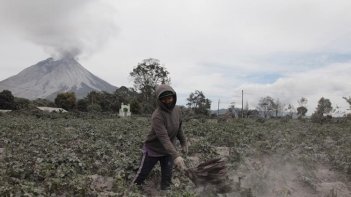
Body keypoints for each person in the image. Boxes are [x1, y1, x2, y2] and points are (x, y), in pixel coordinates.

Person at [131, 84, 188, 191]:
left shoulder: (177, 110)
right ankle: (130, 192)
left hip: (168, 152)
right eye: (164, 99)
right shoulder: (157, 115)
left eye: (169, 98)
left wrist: (184, 143)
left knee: (167, 176)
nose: (167, 101)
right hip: (153, 149)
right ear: (159, 100)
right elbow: (164, 138)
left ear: (174, 97)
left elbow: (179, 128)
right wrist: (176, 156)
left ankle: (164, 193)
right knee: (142, 174)